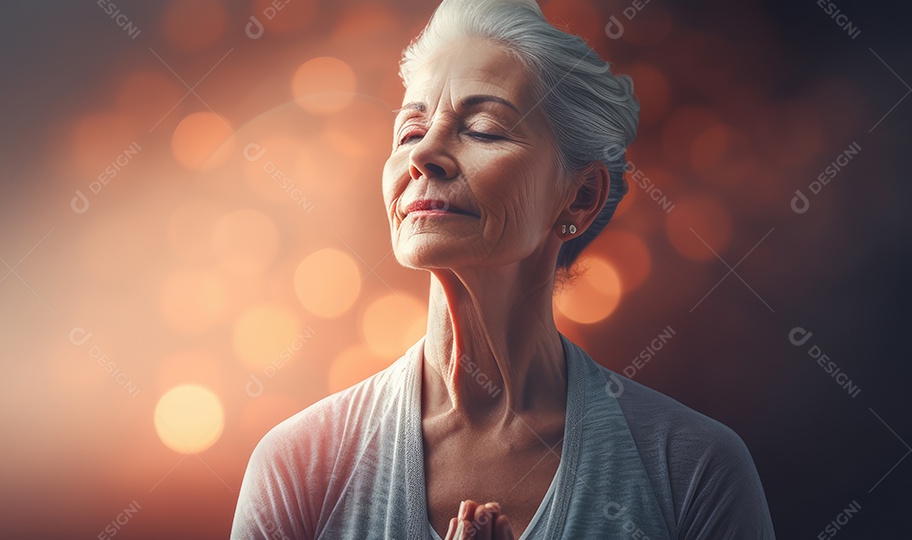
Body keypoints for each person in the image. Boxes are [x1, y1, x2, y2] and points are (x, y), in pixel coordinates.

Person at [231, 0, 776, 538]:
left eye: (484, 129)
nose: (425, 156)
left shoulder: (691, 470)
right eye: (409, 132)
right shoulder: (299, 468)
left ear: (580, 196)